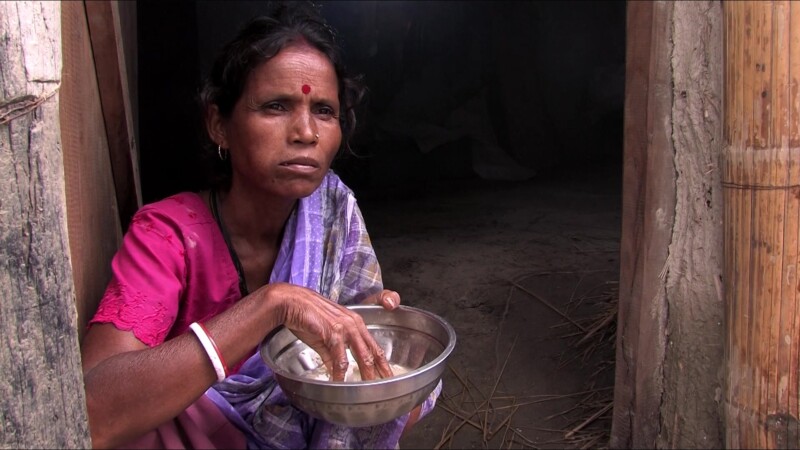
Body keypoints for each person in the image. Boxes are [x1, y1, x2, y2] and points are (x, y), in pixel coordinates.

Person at [80, 3, 439, 448]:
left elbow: (350, 338)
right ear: (219, 125)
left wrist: (365, 318)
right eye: (276, 106)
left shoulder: (334, 211)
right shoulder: (168, 236)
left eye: (324, 111)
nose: (306, 132)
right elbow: (91, 412)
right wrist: (271, 306)